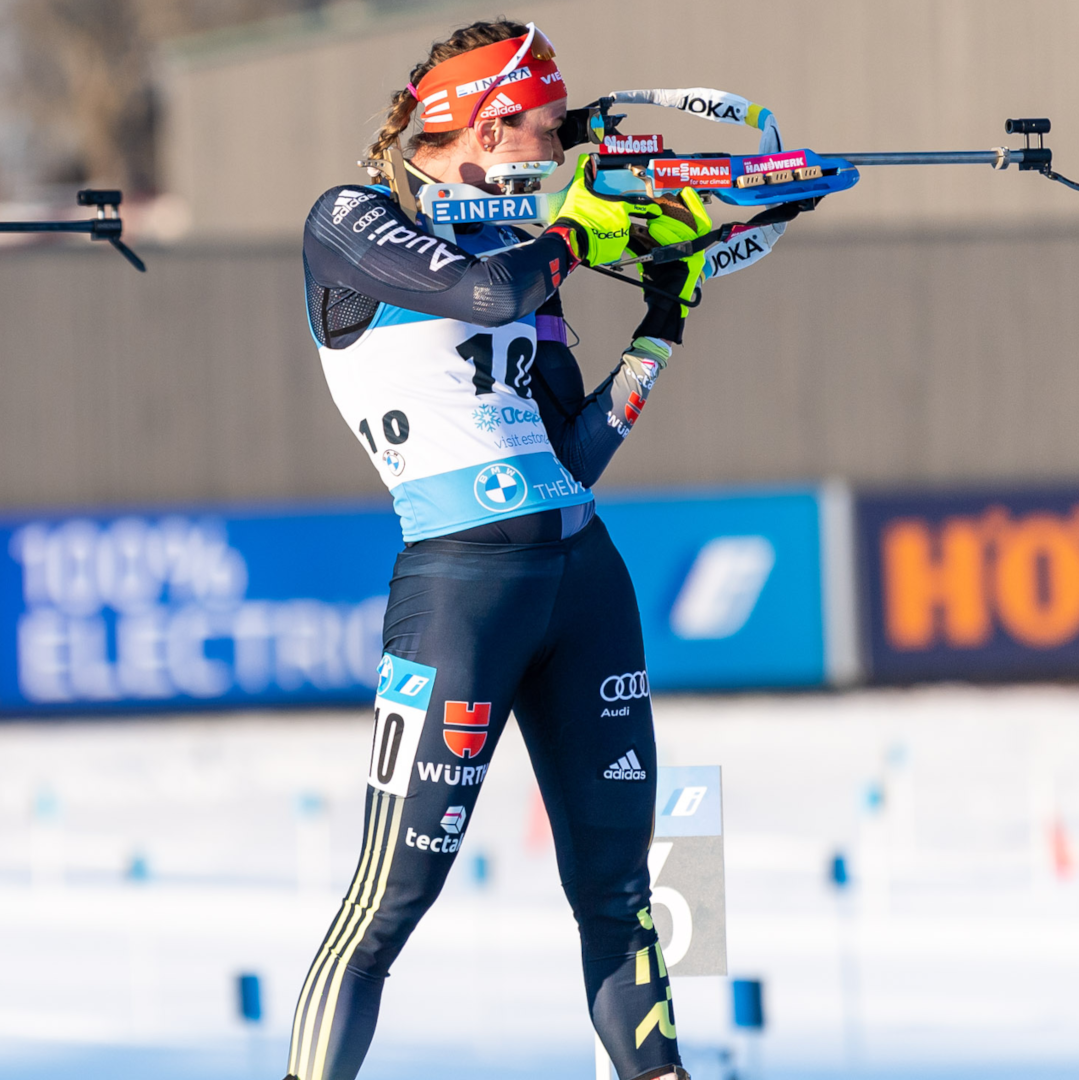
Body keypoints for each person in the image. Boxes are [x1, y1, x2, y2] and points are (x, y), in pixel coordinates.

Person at [285, 21, 716, 1080]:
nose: (556, 154)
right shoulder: (350, 223)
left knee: (623, 897)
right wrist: (579, 232)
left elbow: (572, 454)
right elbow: (490, 294)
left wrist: (663, 319)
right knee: (388, 906)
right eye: (541, 129)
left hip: (583, 580)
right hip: (460, 595)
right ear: (480, 122)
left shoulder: (525, 255)